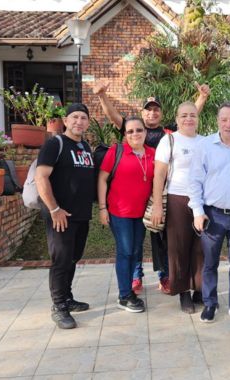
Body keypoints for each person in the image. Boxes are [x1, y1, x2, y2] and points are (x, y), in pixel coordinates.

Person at [93, 80, 210, 295]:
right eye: (148, 110)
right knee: (133, 245)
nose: (152, 114)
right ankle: (136, 276)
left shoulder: (168, 133)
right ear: (142, 113)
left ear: (161, 114)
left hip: (162, 196)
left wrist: (201, 98)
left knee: (161, 238)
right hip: (132, 200)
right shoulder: (133, 130)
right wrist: (102, 96)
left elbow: (188, 119)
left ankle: (164, 275)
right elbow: (113, 117)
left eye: (156, 110)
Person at [188, 102, 230, 325]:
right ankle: (210, 303)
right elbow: (194, 181)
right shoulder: (205, 146)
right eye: (224, 119)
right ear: (217, 120)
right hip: (212, 215)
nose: (228, 124)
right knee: (210, 262)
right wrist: (197, 211)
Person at [35, 103, 95, 330]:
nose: (79, 121)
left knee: (73, 257)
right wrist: (54, 209)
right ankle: (59, 306)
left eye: (83, 118)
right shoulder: (55, 144)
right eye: (75, 117)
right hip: (59, 214)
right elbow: (42, 178)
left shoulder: (85, 147)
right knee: (61, 259)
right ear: (66, 120)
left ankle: (67, 298)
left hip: (80, 214)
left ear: (88, 122)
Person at [151, 102, 204, 313]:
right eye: (184, 115)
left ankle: (200, 289)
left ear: (197, 118)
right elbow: (159, 175)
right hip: (177, 199)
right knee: (178, 247)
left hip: (201, 201)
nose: (188, 119)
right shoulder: (169, 140)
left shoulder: (205, 142)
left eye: (192, 115)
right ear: (177, 118)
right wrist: (157, 205)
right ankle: (183, 293)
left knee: (201, 248)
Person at [97, 117, 155, 313]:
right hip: (119, 212)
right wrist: (102, 208)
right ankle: (124, 295)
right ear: (125, 134)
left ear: (145, 132)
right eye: (130, 131)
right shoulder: (117, 151)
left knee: (136, 251)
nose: (135, 134)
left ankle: (128, 289)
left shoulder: (152, 154)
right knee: (126, 251)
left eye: (139, 130)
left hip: (142, 214)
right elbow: (102, 179)